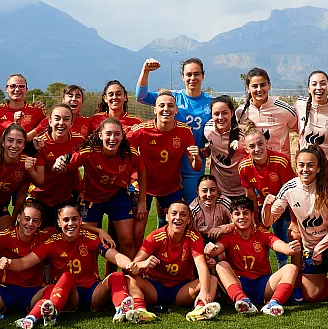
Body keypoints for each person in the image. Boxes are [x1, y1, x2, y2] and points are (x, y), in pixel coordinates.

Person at [0, 201, 144, 329]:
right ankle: (48, 312)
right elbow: (24, 262)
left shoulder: (89, 238)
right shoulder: (51, 242)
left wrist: (130, 264)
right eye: (66, 220)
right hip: (68, 296)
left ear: (80, 221)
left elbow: (115, 256)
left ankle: (122, 309)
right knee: (67, 277)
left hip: (92, 292)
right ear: (59, 222)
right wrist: (9, 263)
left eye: (74, 219)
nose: (70, 223)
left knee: (117, 275)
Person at [264, 146, 328, 313]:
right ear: (296, 166)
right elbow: (268, 220)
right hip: (310, 247)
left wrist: (321, 247)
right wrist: (267, 207)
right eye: (301, 165)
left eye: (310, 165)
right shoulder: (289, 188)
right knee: (311, 295)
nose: (305, 169)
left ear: (318, 168)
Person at [60, 118, 145, 264]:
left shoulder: (130, 153)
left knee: (127, 240)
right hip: (91, 198)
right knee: (87, 241)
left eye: (117, 134)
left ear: (122, 136)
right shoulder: (88, 152)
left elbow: (142, 171)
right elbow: (66, 166)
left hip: (117, 196)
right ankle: (89, 275)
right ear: (100, 135)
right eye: (108, 134)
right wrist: (59, 162)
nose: (112, 138)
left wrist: (142, 201)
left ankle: (130, 275)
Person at [205, 196, 300, 316]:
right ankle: (242, 300)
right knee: (221, 265)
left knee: (291, 268)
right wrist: (209, 249)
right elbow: (214, 250)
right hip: (239, 283)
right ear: (231, 217)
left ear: (252, 215)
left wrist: (290, 248)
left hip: (263, 284)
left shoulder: (262, 233)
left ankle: (274, 303)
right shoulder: (228, 235)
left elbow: (283, 247)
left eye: (245, 213)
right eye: (237, 214)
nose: (241, 217)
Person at [127, 201, 221, 321]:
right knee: (130, 279)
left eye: (183, 215)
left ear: (188, 220)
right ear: (167, 217)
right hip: (155, 288)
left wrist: (203, 291)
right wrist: (144, 264)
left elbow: (201, 266)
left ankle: (200, 309)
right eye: (174, 213)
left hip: (182, 289)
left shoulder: (193, 237)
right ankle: (140, 310)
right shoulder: (155, 236)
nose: (178, 217)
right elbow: (134, 266)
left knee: (212, 280)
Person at [137, 57, 214, 203]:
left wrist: (209, 147)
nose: (193, 78)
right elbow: (141, 97)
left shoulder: (211, 103)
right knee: (167, 207)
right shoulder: (172, 97)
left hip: (192, 163)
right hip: (168, 164)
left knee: (192, 205)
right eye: (188, 74)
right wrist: (145, 71)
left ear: (203, 76)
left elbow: (218, 130)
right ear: (183, 77)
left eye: (197, 74)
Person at [128, 91, 202, 243]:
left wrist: (196, 157)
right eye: (161, 105)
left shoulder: (184, 131)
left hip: (170, 187)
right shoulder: (140, 131)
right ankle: (135, 259)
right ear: (155, 109)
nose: (166, 109)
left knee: (179, 228)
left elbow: (196, 167)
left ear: (176, 110)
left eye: (170, 106)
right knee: (136, 232)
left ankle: (169, 257)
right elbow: (122, 155)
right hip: (143, 186)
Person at [238, 124, 295, 267]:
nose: (257, 149)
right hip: (262, 203)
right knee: (259, 235)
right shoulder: (244, 166)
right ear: (246, 149)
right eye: (252, 146)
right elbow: (250, 196)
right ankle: (262, 269)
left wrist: (293, 221)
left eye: (260, 143)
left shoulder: (281, 161)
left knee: (285, 234)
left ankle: (285, 267)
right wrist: (255, 220)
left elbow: (291, 194)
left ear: (266, 142)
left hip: (284, 203)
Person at [295, 70, 328, 203]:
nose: (319, 87)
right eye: (314, 84)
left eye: (323, 83)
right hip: (307, 177)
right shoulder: (299, 105)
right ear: (309, 88)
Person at [29, 104, 86, 220]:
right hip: (41, 196)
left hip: (67, 197)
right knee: (33, 228)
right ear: (50, 122)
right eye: (57, 118)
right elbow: (40, 181)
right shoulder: (40, 143)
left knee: (70, 229)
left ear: (72, 123)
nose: (61, 123)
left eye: (66, 119)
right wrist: (54, 169)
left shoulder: (79, 140)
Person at [235, 68, 298, 158]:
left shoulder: (284, 110)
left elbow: (302, 133)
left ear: (269, 86)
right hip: (253, 165)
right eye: (255, 86)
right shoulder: (241, 112)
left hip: (279, 164)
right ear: (248, 88)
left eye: (263, 85)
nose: (259, 89)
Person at [202, 95, 246, 201]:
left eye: (224, 113)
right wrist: (206, 150)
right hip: (219, 190)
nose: (220, 117)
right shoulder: (208, 129)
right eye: (216, 114)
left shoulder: (242, 135)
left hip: (242, 190)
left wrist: (244, 147)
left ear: (232, 113)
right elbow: (209, 146)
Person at [0, 74, 46, 142]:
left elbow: (44, 133)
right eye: (12, 86)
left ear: (26, 90)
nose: (17, 89)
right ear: (6, 89)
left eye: (21, 86)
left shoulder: (37, 111)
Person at [189, 176, 233, 242]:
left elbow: (239, 222)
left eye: (213, 190)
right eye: (204, 191)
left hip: (222, 237)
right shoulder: (193, 209)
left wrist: (223, 228)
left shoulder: (224, 202)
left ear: (218, 190)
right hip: (200, 240)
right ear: (198, 191)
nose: (209, 194)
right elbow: (188, 233)